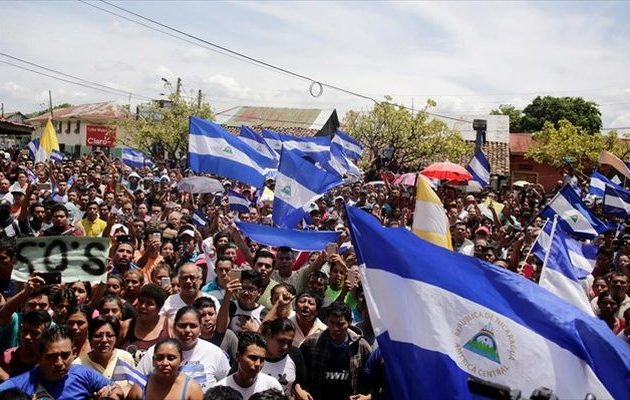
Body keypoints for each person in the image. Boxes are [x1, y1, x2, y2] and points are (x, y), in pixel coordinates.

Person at [0, 325, 124, 399]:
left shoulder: (84, 375)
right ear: (39, 356)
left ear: (74, 353)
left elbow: (117, 389)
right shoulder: (17, 385)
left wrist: (111, 395)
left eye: (65, 355)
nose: (59, 363)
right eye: (51, 357)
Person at [137, 306, 229, 392]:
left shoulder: (215, 353)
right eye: (182, 326)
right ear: (173, 327)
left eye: (193, 326)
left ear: (200, 329)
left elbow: (228, 386)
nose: (187, 330)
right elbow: (136, 384)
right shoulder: (155, 352)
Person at [300, 302, 371, 400]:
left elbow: (374, 377)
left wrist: (368, 397)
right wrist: (299, 390)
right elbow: (297, 371)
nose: (335, 328)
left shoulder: (361, 346)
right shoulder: (312, 343)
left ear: (349, 322)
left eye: (340, 324)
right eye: (331, 323)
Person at [127, 338, 203, 400]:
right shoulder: (141, 386)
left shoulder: (192, 389)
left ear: (181, 361)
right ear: (153, 361)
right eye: (160, 358)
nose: (165, 363)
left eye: (171, 358)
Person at [73, 316, 135, 391]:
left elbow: (132, 387)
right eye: (98, 336)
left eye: (109, 335)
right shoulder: (78, 365)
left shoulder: (125, 358)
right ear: (90, 338)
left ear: (116, 338)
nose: (104, 340)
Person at [215, 332, 282, 398]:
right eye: (253, 358)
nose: (258, 364)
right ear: (238, 356)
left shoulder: (272, 386)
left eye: (262, 359)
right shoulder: (220, 391)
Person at [260, 318, 311, 400]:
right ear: (269, 334)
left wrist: (297, 388)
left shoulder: (295, 354)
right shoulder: (254, 355)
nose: (285, 347)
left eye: (289, 342)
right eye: (281, 341)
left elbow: (300, 383)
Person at [121, 284, 170, 363]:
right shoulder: (126, 326)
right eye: (141, 302)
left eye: (149, 303)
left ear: (159, 307)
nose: (143, 306)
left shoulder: (170, 327)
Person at [0, 310, 52, 380]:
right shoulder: (7, 357)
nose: (27, 337)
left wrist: (7, 379)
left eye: (35, 333)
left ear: (45, 335)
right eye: (25, 330)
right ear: (21, 328)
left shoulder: (48, 362)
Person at [217, 269, 267, 335]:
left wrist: (255, 332)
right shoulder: (231, 306)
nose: (246, 293)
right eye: (242, 288)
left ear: (259, 292)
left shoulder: (264, 313)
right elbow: (220, 329)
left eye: (250, 289)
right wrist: (227, 296)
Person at [193, 297, 238, 365]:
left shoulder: (228, 336)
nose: (207, 319)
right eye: (202, 315)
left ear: (217, 314)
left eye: (211, 314)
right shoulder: (192, 339)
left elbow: (239, 362)